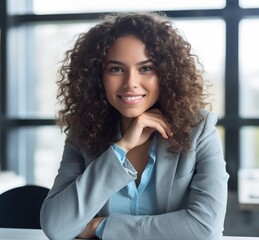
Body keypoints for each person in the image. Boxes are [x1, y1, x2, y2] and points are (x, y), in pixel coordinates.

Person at [40, 11, 229, 240]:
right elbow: (56, 227)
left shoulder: (199, 129)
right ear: (97, 77)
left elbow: (205, 229)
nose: (131, 83)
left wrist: (101, 227)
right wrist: (121, 148)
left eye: (146, 68)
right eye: (116, 69)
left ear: (166, 74)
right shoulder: (84, 133)